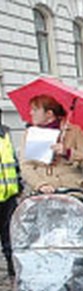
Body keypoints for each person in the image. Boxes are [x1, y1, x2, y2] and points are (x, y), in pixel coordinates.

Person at [18, 94, 83, 200]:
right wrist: (40, 184)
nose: (31, 113)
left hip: (74, 192)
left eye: (35, 110)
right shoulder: (30, 134)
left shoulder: (74, 131)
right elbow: (26, 166)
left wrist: (68, 153)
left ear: (49, 113)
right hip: (43, 196)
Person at [0, 108, 20, 276]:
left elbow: (13, 161)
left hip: (9, 194)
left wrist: (18, 184)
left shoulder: (5, 133)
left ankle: (12, 267)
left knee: (10, 235)